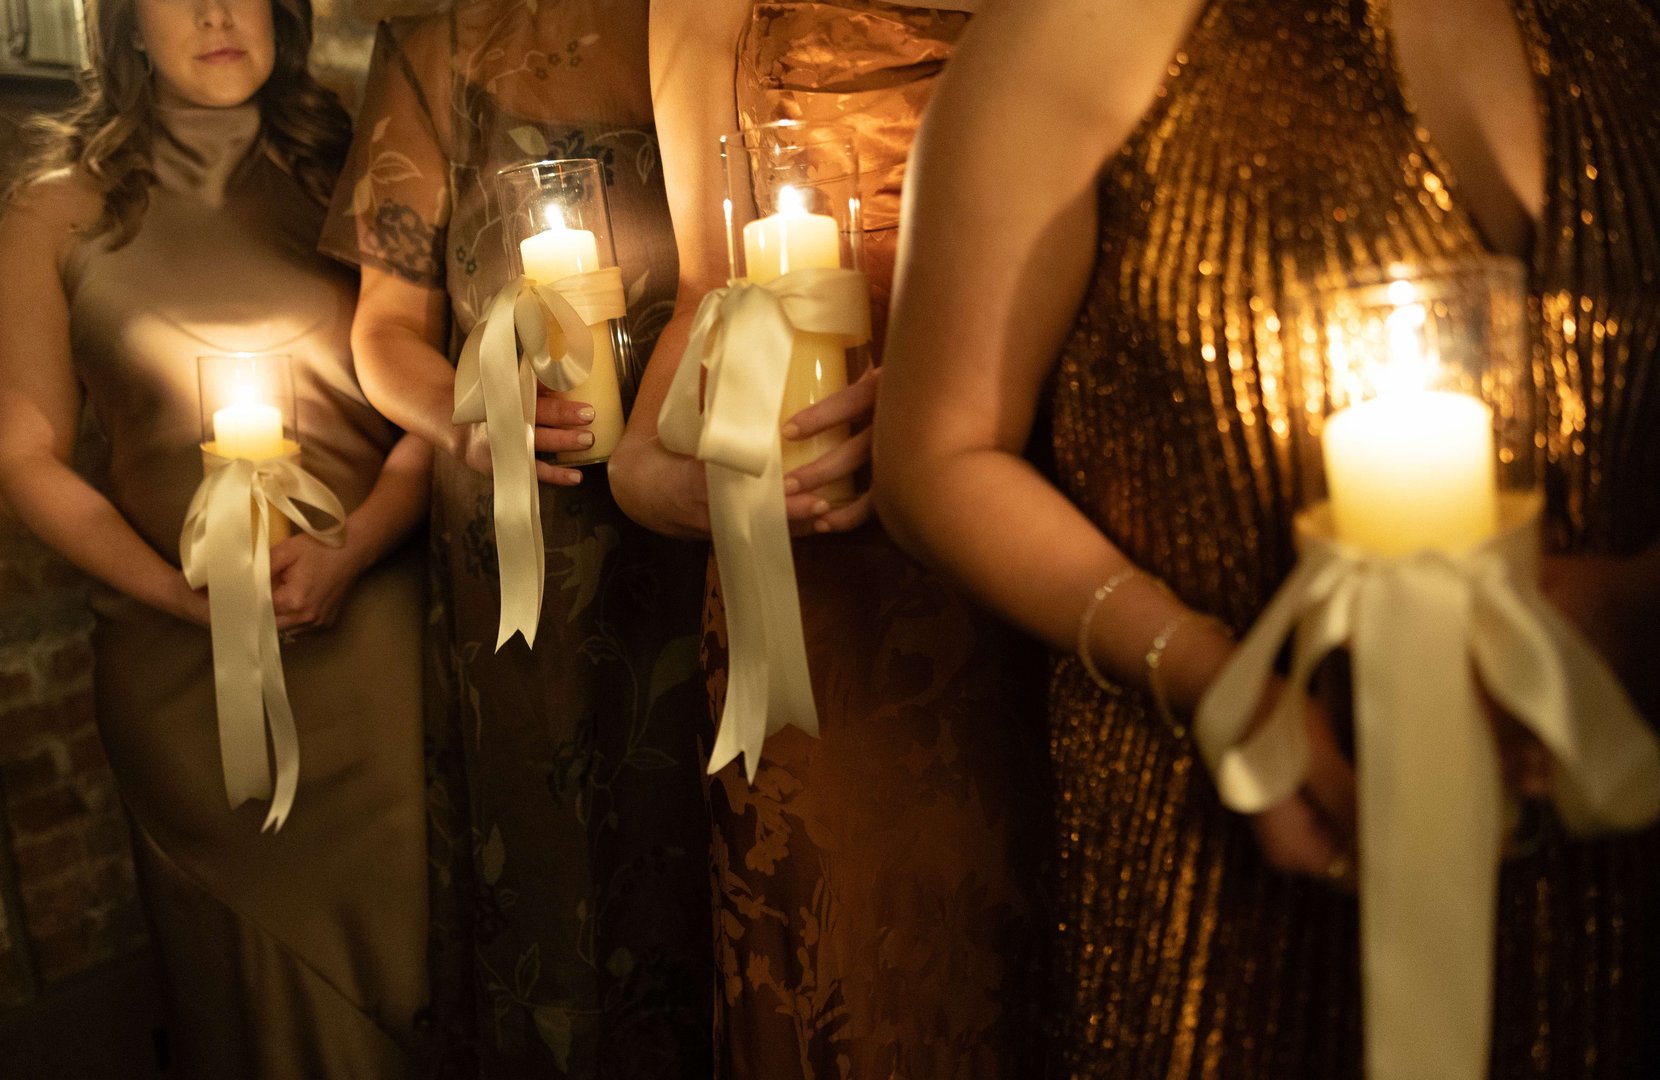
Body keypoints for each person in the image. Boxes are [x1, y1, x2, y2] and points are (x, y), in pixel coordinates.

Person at [875, 0, 1660, 1074]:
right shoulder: (1082, 27)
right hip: (1228, 883)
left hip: (1607, 848)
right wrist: (1213, 679)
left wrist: (1636, 602)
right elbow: (936, 457)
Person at [608, 1, 1048, 1075]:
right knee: (862, 951)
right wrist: (640, 462)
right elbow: (713, 283)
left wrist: (954, 405)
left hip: (1056, 465)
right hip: (823, 541)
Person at [0, 0, 430, 1074]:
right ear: (121, 24)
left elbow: (444, 404)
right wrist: (180, 598)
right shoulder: (53, 213)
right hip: (176, 666)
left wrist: (360, 543)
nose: (214, 10)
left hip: (378, 650)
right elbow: (26, 456)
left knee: (415, 978)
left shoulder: (369, 165)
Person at [319, 0, 713, 1075]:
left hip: (708, 492)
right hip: (522, 522)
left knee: (713, 842)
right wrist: (466, 407)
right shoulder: (436, 48)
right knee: (556, 858)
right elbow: (384, 330)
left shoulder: (716, 20)